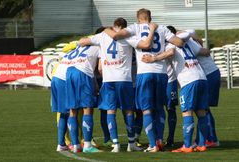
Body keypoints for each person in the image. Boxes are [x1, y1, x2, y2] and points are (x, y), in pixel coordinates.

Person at [104, 8, 184, 152]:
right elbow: (179, 42)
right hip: (161, 73)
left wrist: (106, 30)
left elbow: (116, 36)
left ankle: (153, 145)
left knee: (146, 110)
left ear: (138, 18)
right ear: (150, 17)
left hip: (145, 73)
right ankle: (159, 140)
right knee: (159, 108)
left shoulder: (135, 28)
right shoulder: (162, 28)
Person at [79, 17, 157, 152]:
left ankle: (115, 144)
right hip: (124, 79)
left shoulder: (102, 36)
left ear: (114, 26)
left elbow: (82, 42)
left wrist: (102, 32)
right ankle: (131, 143)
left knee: (110, 111)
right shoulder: (127, 37)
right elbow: (145, 45)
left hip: (108, 80)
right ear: (124, 28)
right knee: (128, 111)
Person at [142, 26, 211, 153]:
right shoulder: (188, 43)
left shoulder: (170, 44)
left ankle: (187, 146)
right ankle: (202, 144)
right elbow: (202, 50)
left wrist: (154, 58)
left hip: (188, 80)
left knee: (187, 112)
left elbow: (171, 52)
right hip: (202, 77)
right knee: (201, 113)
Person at [66, 27, 106, 153]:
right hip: (83, 73)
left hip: (70, 71)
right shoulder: (100, 44)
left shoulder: (84, 42)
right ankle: (88, 145)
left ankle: (76, 145)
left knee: (73, 110)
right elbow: (100, 68)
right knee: (87, 109)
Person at [186, 29, 221, 147]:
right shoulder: (188, 39)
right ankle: (204, 139)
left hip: (209, 74)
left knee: (203, 108)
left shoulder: (187, 42)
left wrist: (198, 41)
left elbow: (206, 52)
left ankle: (211, 139)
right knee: (202, 108)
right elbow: (191, 31)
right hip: (208, 74)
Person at [164, 61, 178, 147]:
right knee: (155, 109)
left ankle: (171, 138)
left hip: (170, 79)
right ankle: (157, 140)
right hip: (157, 79)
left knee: (171, 108)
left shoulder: (171, 46)